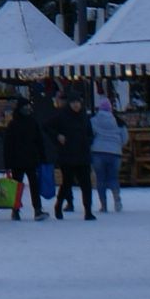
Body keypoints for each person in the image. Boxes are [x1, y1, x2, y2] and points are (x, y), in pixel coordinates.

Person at [49, 89, 95, 220]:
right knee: (67, 183)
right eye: (73, 102)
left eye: (78, 102)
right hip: (67, 156)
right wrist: (58, 136)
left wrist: (88, 141)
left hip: (83, 155)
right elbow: (47, 126)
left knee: (86, 184)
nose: (76, 105)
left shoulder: (84, 117)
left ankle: (88, 211)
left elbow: (90, 133)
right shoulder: (62, 116)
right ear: (69, 103)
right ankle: (59, 205)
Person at [2, 94, 49, 221]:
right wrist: (42, 156)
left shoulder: (13, 124)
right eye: (26, 106)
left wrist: (7, 163)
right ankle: (37, 209)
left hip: (19, 160)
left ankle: (16, 210)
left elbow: (8, 145)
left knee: (18, 186)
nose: (28, 109)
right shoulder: (32, 122)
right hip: (29, 159)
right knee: (33, 186)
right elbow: (39, 141)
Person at [89, 95, 126, 215]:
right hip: (115, 153)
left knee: (101, 179)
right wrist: (118, 145)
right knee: (113, 177)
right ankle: (117, 199)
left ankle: (103, 205)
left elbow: (90, 134)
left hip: (98, 152)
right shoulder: (119, 121)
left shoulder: (94, 120)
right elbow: (125, 138)